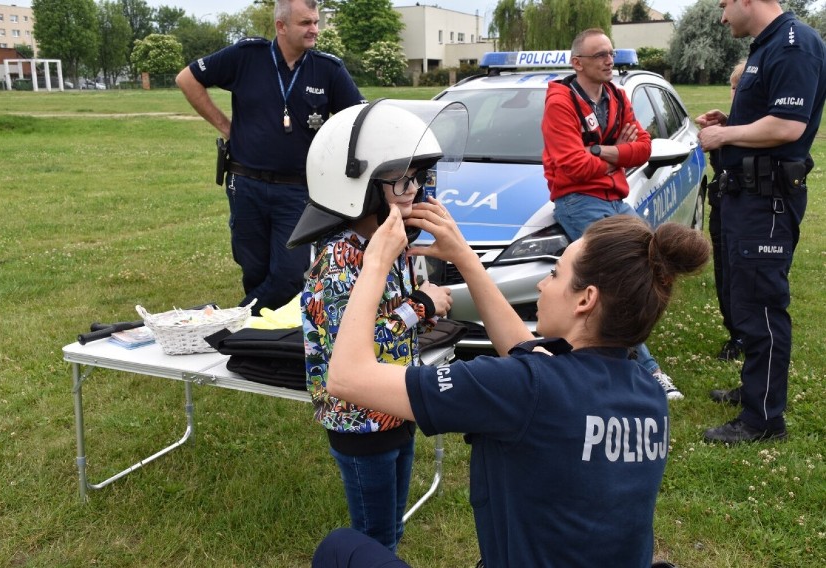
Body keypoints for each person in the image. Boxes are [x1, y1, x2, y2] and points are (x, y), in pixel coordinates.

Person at [323, 204, 710, 566]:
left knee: (341, 548)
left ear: (585, 300)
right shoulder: (648, 393)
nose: (543, 284)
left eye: (556, 273)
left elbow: (346, 376)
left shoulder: (523, 388)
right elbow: (529, 359)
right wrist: (466, 260)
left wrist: (374, 262)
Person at [293, 99, 464, 552]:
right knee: (375, 537)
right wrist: (420, 307)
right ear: (360, 188)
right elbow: (355, 345)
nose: (416, 192)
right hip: (360, 423)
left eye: (420, 179)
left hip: (395, 407)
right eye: (403, 181)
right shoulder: (341, 260)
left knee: (393, 528)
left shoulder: (386, 243)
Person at [175, 0, 366, 316]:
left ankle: (231, 324)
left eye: (316, 22)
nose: (314, 29)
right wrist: (226, 127)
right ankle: (263, 345)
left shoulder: (328, 69)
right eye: (306, 23)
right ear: (281, 26)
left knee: (289, 277)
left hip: (296, 192)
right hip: (244, 185)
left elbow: (358, 118)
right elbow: (187, 78)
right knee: (254, 272)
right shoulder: (246, 57)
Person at [697, 0, 826, 443]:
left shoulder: (793, 44)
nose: (721, 16)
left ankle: (763, 421)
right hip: (746, 197)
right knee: (744, 298)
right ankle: (756, 390)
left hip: (766, 201)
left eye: (724, 4)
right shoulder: (767, 45)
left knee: (763, 306)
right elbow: (766, 121)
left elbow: (789, 126)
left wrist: (725, 135)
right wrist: (731, 123)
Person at [541, 28, 683, 401]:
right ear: (578, 63)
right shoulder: (560, 101)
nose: (609, 61)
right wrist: (616, 154)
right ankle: (648, 370)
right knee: (621, 279)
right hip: (579, 200)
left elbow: (644, 147)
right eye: (600, 55)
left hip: (614, 199)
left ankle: (626, 357)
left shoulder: (618, 97)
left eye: (611, 54)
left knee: (649, 269)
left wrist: (601, 153)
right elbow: (570, 166)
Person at [706, 60, 746, 362]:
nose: (736, 93)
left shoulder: (754, 129)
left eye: (741, 87)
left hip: (746, 213)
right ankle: (734, 333)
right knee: (724, 272)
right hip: (721, 208)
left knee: (743, 275)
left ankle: (746, 335)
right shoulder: (732, 124)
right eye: (733, 87)